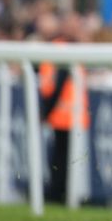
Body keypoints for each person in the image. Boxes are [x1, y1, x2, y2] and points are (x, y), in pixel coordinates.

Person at [37, 14, 89, 204]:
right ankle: (58, 193)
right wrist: (48, 109)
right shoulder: (62, 47)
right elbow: (57, 82)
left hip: (71, 114)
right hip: (63, 114)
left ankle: (60, 192)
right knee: (61, 158)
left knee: (63, 157)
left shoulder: (69, 46)